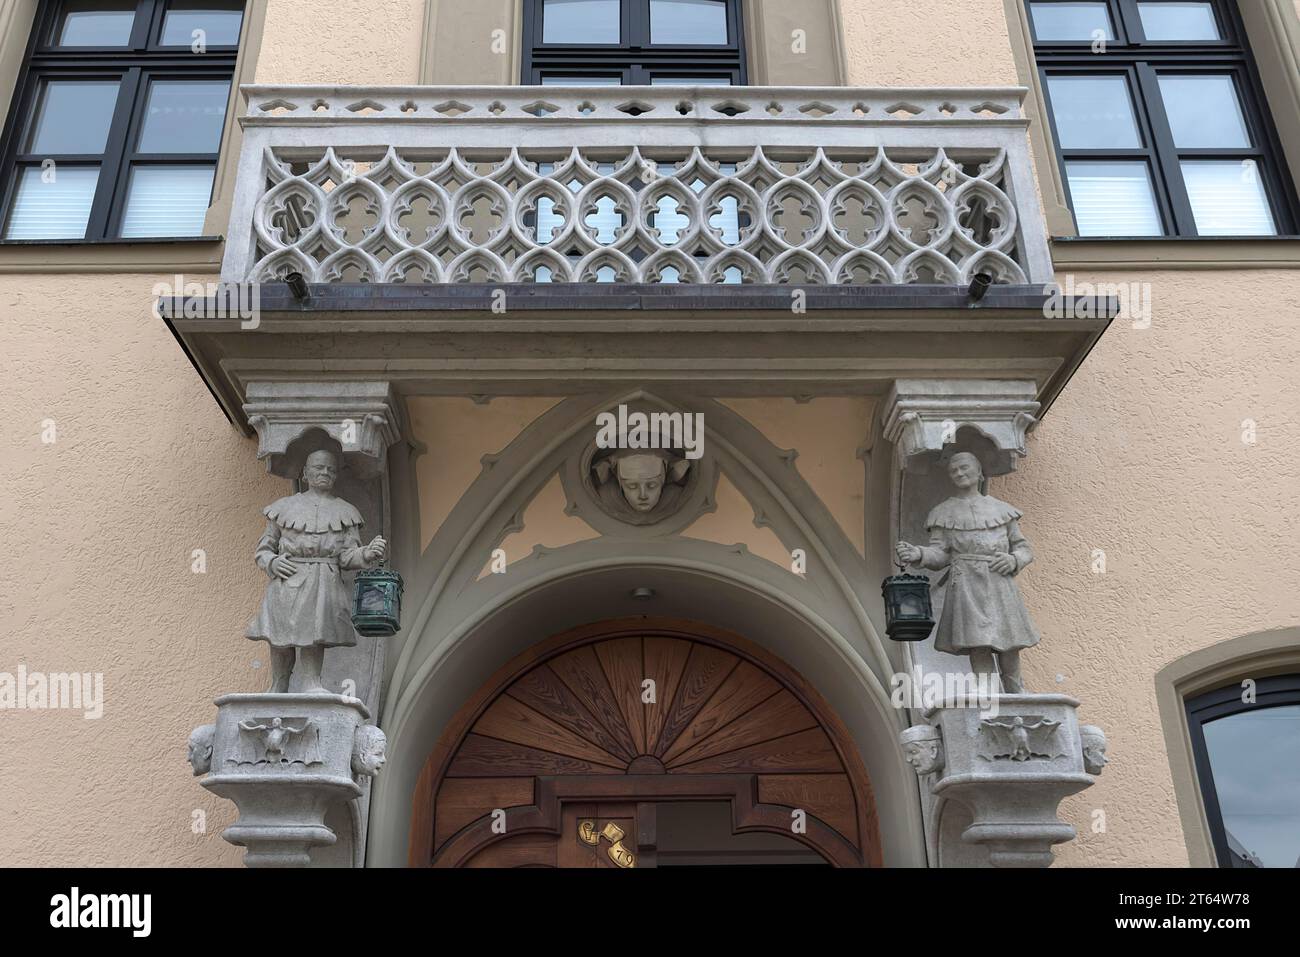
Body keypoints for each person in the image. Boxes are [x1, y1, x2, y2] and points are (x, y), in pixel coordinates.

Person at [895, 451, 1040, 693]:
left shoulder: (1002, 510)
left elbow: (1024, 548)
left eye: (964, 468)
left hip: (999, 580)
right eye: (954, 471)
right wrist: (918, 553)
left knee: (1010, 642)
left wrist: (1014, 560)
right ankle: (988, 695)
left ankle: (1017, 694)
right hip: (966, 585)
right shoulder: (943, 512)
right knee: (978, 643)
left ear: (978, 471)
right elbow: (940, 554)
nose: (960, 473)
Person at [246, 449, 386, 692]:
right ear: (305, 473)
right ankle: (279, 682)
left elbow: (347, 556)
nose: (325, 473)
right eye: (319, 468)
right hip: (288, 578)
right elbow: (264, 548)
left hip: (324, 580)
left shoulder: (346, 512)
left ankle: (312, 681)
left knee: (314, 631)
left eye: (331, 469)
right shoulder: (283, 508)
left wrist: (367, 553)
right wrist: (272, 562)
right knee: (280, 633)